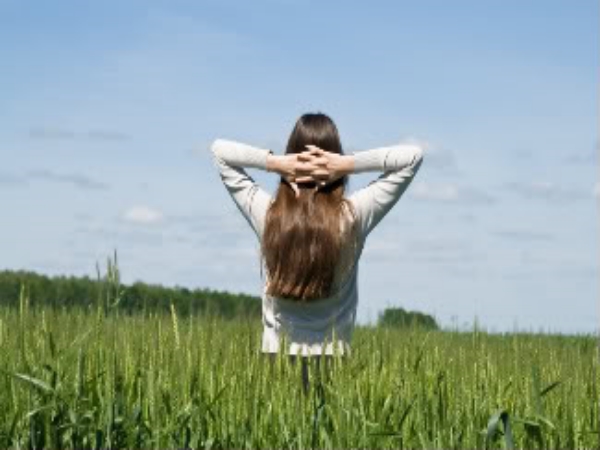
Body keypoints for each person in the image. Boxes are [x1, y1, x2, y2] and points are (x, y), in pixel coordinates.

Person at [210, 112, 424, 390]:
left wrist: (274, 163)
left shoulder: (268, 214)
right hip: (333, 363)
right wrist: (347, 165)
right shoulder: (353, 216)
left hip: (275, 360)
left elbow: (219, 152)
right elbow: (412, 157)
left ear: (291, 159)